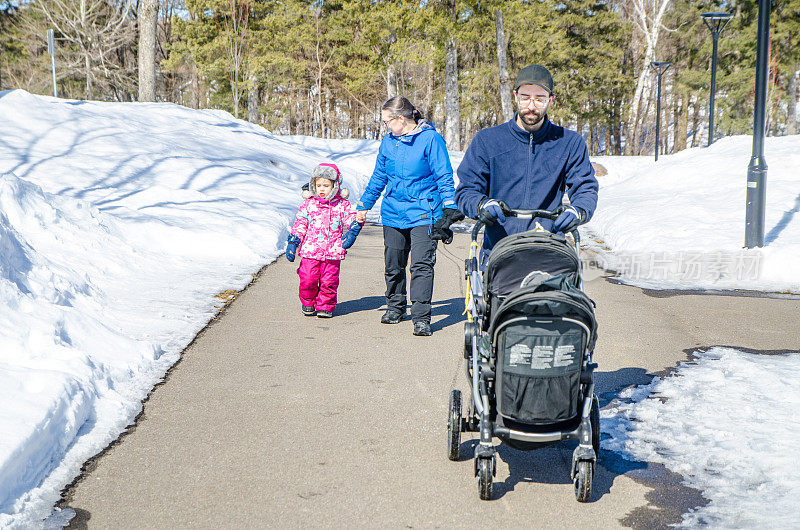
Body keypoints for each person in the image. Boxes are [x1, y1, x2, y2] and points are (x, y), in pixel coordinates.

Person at [455, 64, 599, 265]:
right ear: (515, 96)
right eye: (525, 97)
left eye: (539, 99)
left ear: (550, 100)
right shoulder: (488, 140)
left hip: (548, 249)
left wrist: (579, 210)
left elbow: (585, 187)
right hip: (500, 250)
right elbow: (466, 189)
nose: (531, 106)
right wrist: (481, 205)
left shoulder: (569, 142)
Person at [355, 96, 460, 337]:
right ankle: (396, 307)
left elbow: (443, 175)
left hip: (424, 211)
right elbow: (379, 177)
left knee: (422, 265)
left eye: (386, 121)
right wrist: (364, 204)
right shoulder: (388, 142)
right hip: (393, 212)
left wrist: (449, 206)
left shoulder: (430, 139)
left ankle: (422, 317)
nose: (384, 126)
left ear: (401, 119)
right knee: (393, 264)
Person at [285, 163, 363, 318]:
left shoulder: (342, 204)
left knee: (329, 281)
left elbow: (348, 217)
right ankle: (308, 302)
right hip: (310, 251)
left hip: (332, 252)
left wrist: (354, 225)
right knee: (308, 278)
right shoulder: (309, 204)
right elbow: (301, 223)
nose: (321, 189)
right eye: (318, 185)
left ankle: (325, 305)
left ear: (335, 186)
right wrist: (294, 241)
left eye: (326, 185)